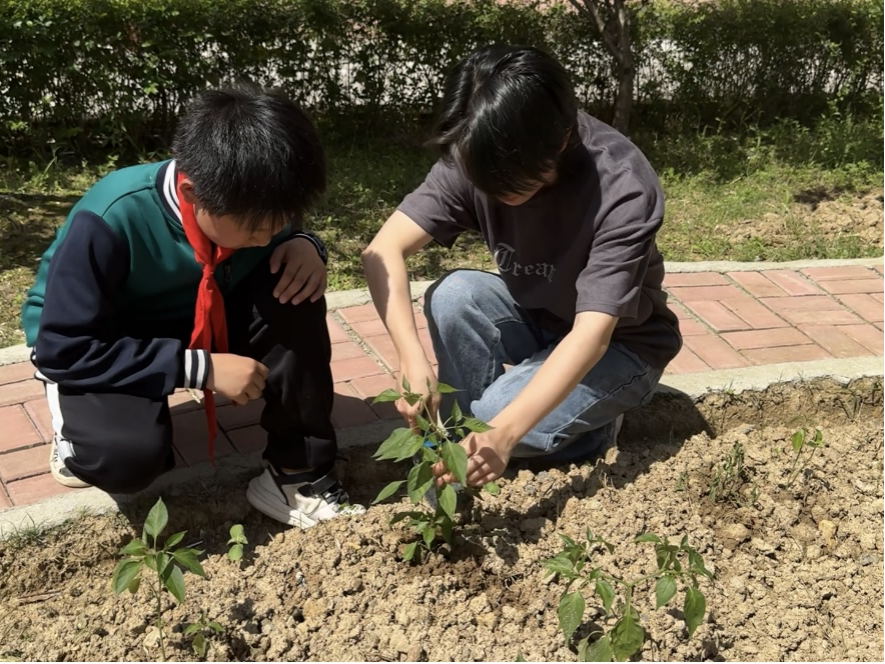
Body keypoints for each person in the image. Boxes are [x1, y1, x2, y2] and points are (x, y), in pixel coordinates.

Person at [21, 84, 364, 528]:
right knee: (127, 460)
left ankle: (296, 477)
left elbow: (277, 229)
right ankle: (74, 435)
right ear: (192, 190)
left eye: (282, 220)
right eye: (259, 226)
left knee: (294, 288)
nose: (268, 235)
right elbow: (63, 348)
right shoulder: (111, 217)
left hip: (197, 310)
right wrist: (199, 369)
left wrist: (306, 242)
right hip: (98, 338)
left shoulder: (253, 197)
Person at [361, 45, 682, 490]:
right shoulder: (478, 151)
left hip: (622, 345)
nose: (492, 192)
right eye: (482, 180)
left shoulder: (621, 188)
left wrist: (505, 432)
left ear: (563, 140)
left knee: (497, 416)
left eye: (510, 183)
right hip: (543, 317)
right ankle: (462, 455)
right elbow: (382, 251)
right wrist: (408, 358)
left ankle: (585, 437)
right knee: (454, 295)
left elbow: (592, 334)